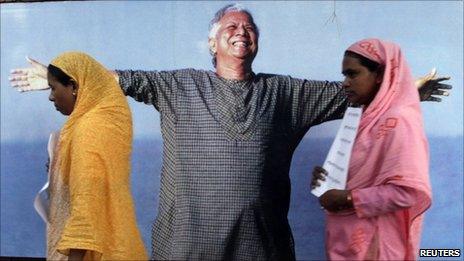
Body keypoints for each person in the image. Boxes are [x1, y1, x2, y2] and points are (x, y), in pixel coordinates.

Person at [9, 4, 450, 260]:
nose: (241, 32)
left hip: (261, 247)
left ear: (256, 41)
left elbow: (355, 90)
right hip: (185, 245)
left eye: (249, 27)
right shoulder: (176, 85)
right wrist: (58, 73)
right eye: (230, 27)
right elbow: (113, 78)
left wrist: (405, 89)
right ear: (212, 42)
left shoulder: (287, 93)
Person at [311, 38, 432, 260]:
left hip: (375, 246)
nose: (345, 83)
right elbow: (362, 175)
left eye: (353, 74)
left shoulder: (398, 121)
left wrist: (347, 198)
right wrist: (328, 181)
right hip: (346, 241)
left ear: (380, 75)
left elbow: (408, 192)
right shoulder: (364, 119)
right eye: (344, 75)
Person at [42, 52, 147, 260]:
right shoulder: (102, 122)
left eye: (53, 88)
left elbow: (86, 202)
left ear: (73, 86)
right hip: (122, 245)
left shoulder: (88, 130)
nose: (51, 96)